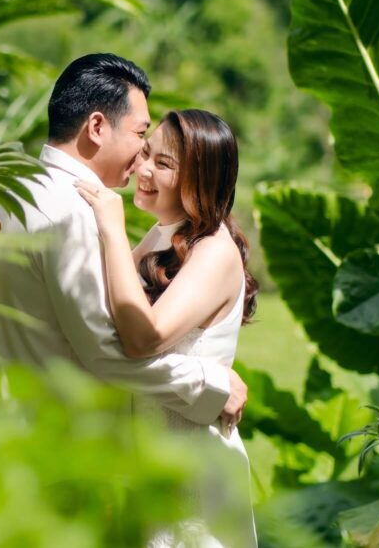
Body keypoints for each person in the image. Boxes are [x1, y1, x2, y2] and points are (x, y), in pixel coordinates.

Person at [0, 52, 248, 431]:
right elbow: (107, 351)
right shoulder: (75, 213)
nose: (141, 162)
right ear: (96, 126)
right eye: (141, 137)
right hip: (61, 440)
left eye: (161, 161)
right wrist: (213, 385)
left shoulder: (21, 189)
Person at [75, 108, 258, 547]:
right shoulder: (162, 236)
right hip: (151, 462)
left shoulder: (214, 251)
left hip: (191, 471)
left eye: (163, 163)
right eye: (146, 154)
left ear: (200, 179)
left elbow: (145, 336)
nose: (143, 169)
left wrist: (112, 230)